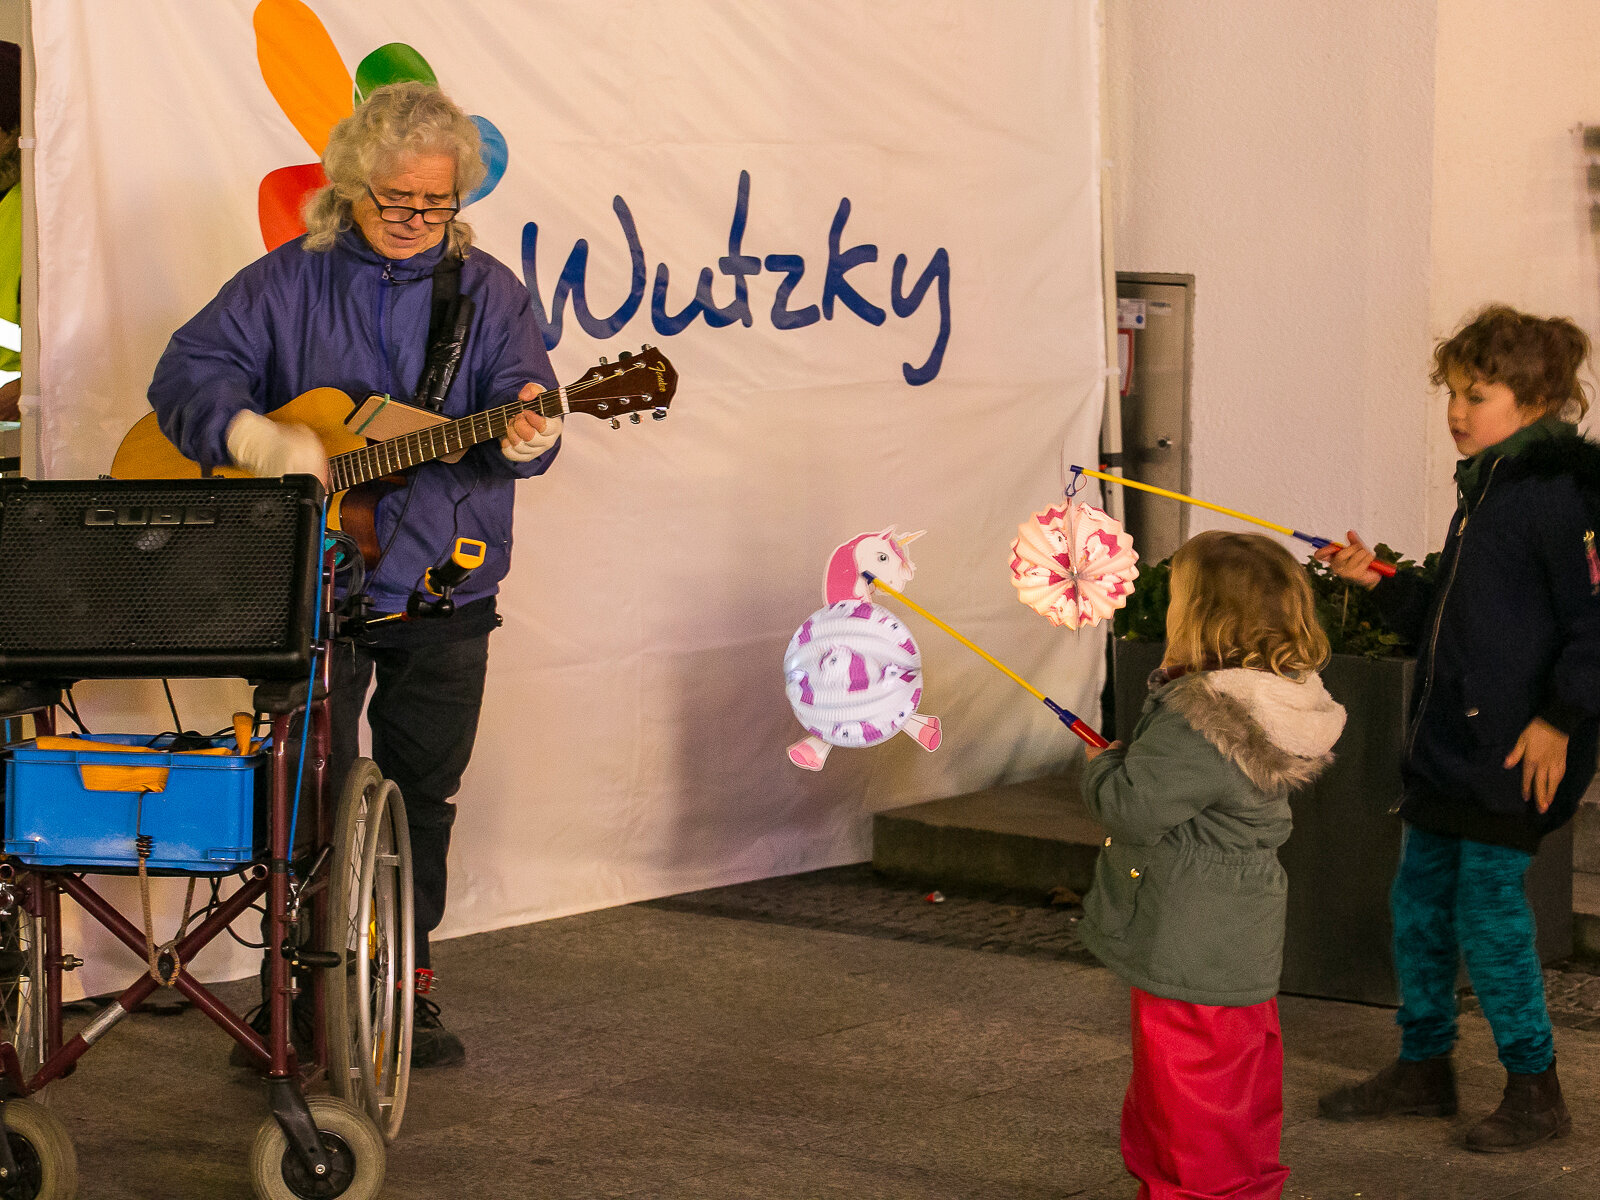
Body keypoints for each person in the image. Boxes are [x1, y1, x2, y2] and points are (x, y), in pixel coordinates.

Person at [148, 82, 562, 1068]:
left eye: (436, 203)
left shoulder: (491, 292)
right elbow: (185, 374)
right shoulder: (288, 280)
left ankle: (405, 985)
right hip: (309, 586)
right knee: (302, 798)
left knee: (423, 795)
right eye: (396, 202)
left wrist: (532, 437)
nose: (418, 220)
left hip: (443, 587)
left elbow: (524, 415)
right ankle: (294, 995)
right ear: (348, 188)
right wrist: (252, 435)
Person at [1316, 305, 1600, 1150]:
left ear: (1539, 397)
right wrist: (1380, 582)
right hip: (1451, 747)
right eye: (1452, 392)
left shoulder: (1562, 495)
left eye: (1478, 393)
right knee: (1421, 904)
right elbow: (1455, 619)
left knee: (1487, 910)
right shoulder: (1486, 489)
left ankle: (1535, 1086)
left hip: (1516, 748)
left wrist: (1559, 721)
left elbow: (1595, 623)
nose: (1456, 410)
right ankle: (1423, 1066)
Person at [1079, 530, 1346, 1200]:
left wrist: (1102, 766)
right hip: (1236, 938)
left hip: (1188, 939)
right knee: (1234, 1089)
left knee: (1188, 1096)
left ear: (1198, 618)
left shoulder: (1202, 717)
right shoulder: (1270, 698)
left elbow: (1134, 807)